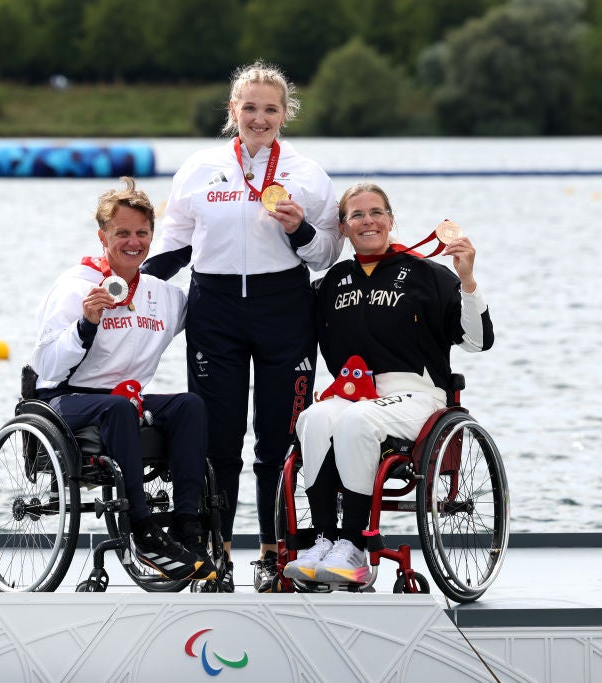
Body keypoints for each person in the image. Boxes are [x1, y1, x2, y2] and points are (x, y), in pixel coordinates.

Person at [142, 60, 343, 592]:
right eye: (249, 107)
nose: (259, 118)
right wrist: (127, 284)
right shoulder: (199, 168)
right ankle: (218, 553)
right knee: (218, 440)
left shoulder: (308, 174)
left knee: (278, 439)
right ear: (233, 110)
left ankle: (276, 555)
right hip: (216, 308)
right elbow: (173, 246)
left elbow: (325, 254)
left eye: (270, 109)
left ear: (285, 115)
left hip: (285, 310)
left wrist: (300, 228)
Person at [282, 183, 495, 584]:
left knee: (357, 421)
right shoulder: (330, 283)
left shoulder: (427, 273)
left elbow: (477, 341)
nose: (368, 221)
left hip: (417, 394)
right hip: (351, 392)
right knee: (311, 419)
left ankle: (355, 546)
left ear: (392, 219)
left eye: (376, 212)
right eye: (356, 215)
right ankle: (325, 540)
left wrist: (466, 280)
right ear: (342, 228)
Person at [30, 177, 214, 583]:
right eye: (122, 233)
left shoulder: (161, 295)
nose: (133, 242)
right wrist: (85, 324)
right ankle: (142, 529)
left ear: (152, 236)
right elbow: (46, 364)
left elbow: (214, 313)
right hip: (65, 399)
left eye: (142, 233)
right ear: (103, 236)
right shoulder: (76, 287)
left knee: (189, 405)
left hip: (122, 401)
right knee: (117, 409)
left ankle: (188, 525)